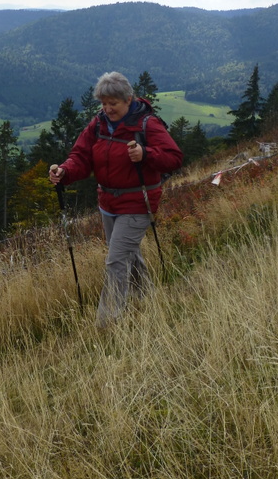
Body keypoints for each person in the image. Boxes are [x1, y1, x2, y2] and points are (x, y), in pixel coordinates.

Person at [49, 71, 183, 327]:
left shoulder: (147, 124)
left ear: (128, 99)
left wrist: (146, 153)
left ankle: (107, 325)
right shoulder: (98, 124)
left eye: (113, 103)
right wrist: (64, 172)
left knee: (116, 261)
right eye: (103, 103)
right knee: (128, 254)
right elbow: (81, 156)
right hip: (108, 203)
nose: (107, 109)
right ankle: (145, 298)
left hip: (138, 202)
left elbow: (174, 158)